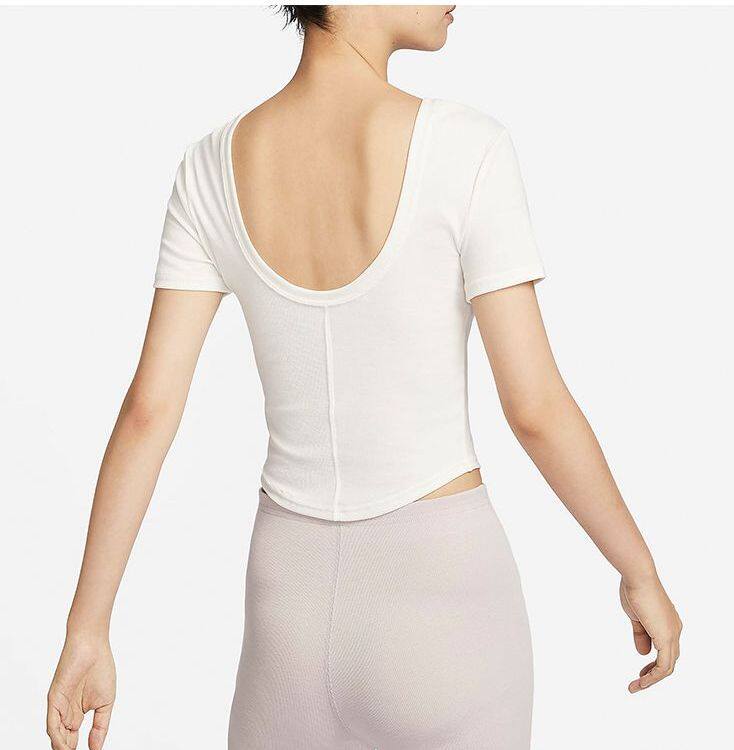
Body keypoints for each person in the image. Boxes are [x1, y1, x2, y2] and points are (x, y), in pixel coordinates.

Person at [46, 5, 682, 750]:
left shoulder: (210, 167)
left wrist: (87, 627)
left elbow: (148, 412)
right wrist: (637, 569)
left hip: (286, 610)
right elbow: (535, 407)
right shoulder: (465, 147)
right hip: (442, 606)